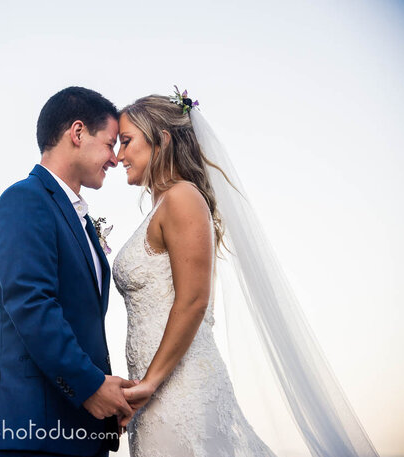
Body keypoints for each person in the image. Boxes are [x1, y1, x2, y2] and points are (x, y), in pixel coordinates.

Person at [113, 89, 380, 457]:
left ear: (161, 139)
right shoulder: (163, 204)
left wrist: (151, 382)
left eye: (126, 141)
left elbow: (193, 300)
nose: (118, 155)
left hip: (177, 388)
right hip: (154, 393)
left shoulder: (182, 197)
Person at [0, 86, 135, 457]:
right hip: (36, 430)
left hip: (81, 431)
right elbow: (31, 304)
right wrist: (91, 387)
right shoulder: (25, 199)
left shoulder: (76, 216)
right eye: (110, 143)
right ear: (77, 133)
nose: (115, 159)